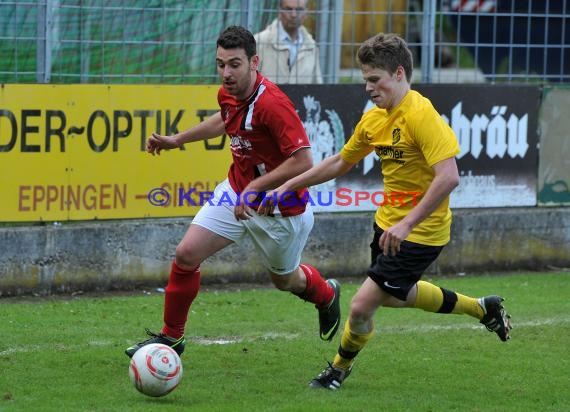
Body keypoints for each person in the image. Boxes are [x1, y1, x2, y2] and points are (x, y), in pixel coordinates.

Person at [258, 33, 512, 390]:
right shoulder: (375, 119)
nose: (368, 88)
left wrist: (407, 224)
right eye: (364, 80)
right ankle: (482, 308)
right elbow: (340, 162)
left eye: (374, 80)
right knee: (396, 295)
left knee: (362, 306)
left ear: (398, 73)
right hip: (387, 227)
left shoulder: (422, 116)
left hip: (421, 232)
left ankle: (337, 370)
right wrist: (288, 185)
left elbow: (449, 177)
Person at [125, 26, 341, 359]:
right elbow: (223, 120)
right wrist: (176, 140)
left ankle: (326, 295)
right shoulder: (227, 93)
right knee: (186, 254)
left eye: (235, 64)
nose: (226, 73)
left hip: (279, 209)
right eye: (221, 64)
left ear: (255, 62)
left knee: (285, 281)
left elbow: (304, 162)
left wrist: (256, 187)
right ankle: (171, 338)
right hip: (235, 193)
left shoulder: (273, 105)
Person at [254, 0, 323, 84]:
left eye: (299, 10)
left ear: (306, 12)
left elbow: (317, 87)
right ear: (279, 11)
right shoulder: (259, 41)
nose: (293, 15)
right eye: (288, 9)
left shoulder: (311, 46)